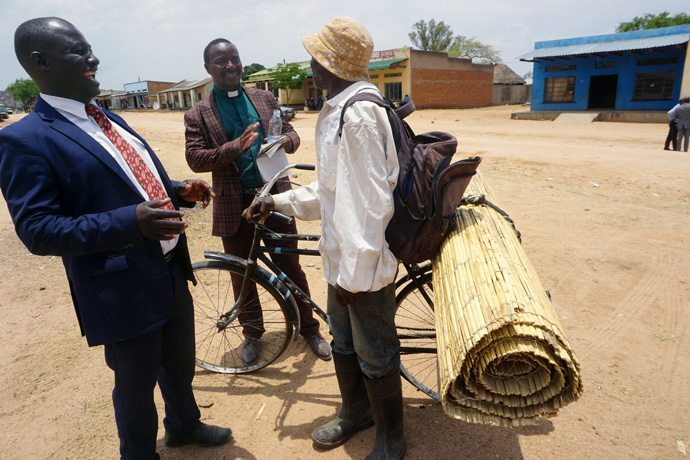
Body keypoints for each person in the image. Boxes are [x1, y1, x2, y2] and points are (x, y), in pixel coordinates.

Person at [0, 18, 231, 460]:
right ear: (40, 62)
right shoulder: (23, 140)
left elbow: (141, 181)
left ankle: (184, 427)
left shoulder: (109, 117)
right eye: (79, 51)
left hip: (168, 271)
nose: (94, 59)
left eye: (90, 49)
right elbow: (38, 230)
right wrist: (129, 222)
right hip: (119, 285)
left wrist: (177, 189)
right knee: (135, 386)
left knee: (179, 367)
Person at [243, 16, 407, 460]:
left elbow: (373, 207)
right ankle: (356, 413)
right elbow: (332, 191)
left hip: (363, 268)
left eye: (315, 56)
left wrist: (353, 279)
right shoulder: (340, 109)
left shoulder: (358, 117)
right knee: (343, 341)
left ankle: (392, 441)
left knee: (374, 351)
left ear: (327, 63)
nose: (311, 64)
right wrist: (277, 203)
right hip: (342, 260)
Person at [184, 38, 331, 364]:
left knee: (291, 267)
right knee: (242, 275)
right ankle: (253, 334)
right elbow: (195, 158)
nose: (230, 66)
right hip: (234, 207)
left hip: (274, 199)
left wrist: (285, 141)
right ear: (208, 69)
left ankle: (309, 329)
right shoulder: (198, 114)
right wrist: (233, 148)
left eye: (234, 58)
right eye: (221, 61)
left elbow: (292, 133)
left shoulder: (264, 98)